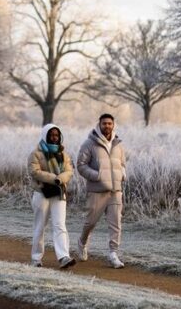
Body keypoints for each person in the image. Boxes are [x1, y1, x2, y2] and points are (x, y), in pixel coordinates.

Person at [75, 113, 127, 268]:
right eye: (104, 123)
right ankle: (82, 242)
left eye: (110, 123)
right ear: (99, 125)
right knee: (91, 222)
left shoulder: (118, 144)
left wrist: (122, 174)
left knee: (116, 223)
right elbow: (81, 165)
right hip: (97, 191)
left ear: (113, 125)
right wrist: (97, 175)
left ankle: (113, 254)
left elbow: (122, 163)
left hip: (115, 191)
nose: (107, 126)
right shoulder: (89, 144)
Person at [28, 123, 76, 269]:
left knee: (60, 225)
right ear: (45, 135)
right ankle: (36, 258)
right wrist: (53, 178)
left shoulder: (64, 154)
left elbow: (69, 171)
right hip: (42, 193)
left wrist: (59, 180)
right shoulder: (36, 154)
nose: (54, 138)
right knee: (40, 226)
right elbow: (34, 171)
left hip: (59, 193)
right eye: (51, 135)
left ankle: (63, 257)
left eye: (56, 135)